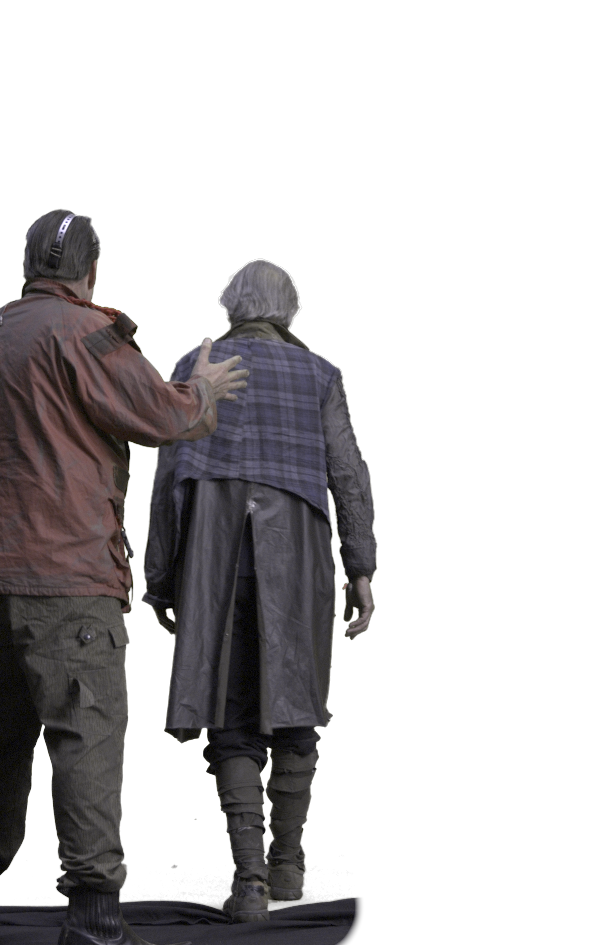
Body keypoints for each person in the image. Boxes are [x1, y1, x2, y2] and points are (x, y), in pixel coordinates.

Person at [0, 210, 249, 945]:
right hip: (65, 570)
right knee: (85, 733)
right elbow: (157, 416)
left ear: (28, 266)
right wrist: (201, 390)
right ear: (91, 272)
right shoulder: (88, 332)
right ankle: (94, 914)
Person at [140, 259, 377, 923]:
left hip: (214, 553)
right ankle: (289, 867)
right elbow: (349, 474)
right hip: (297, 549)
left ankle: (249, 883)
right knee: (298, 703)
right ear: (290, 311)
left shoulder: (197, 362)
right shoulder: (320, 373)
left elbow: (167, 479)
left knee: (230, 709)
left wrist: (161, 579)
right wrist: (360, 568)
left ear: (231, 307)